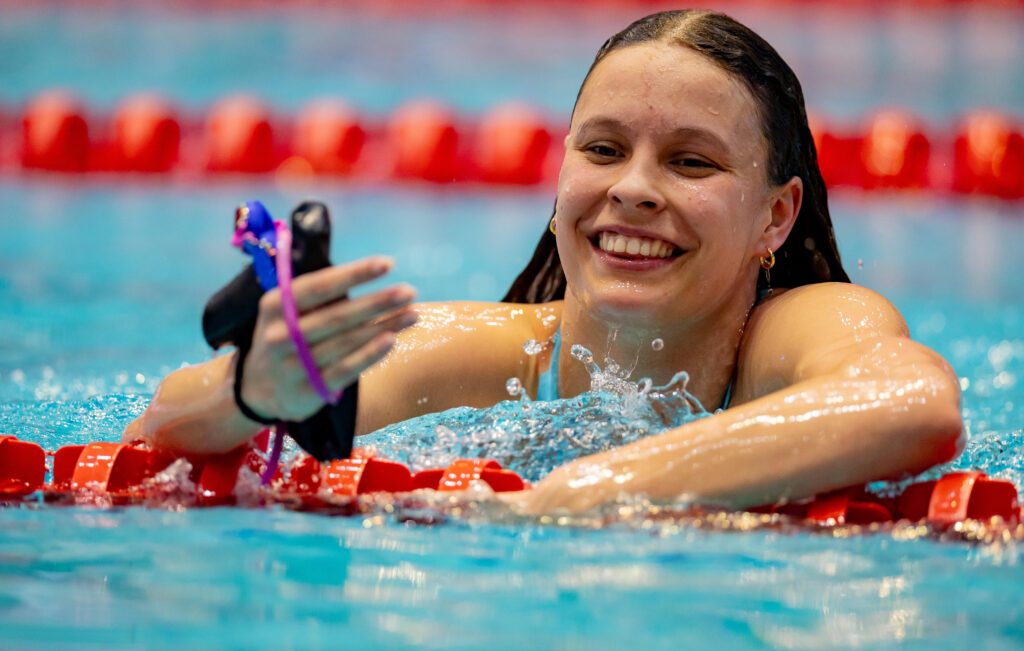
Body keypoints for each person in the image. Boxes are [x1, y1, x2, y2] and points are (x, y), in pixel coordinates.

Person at [123, 10, 963, 515]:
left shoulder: (796, 330)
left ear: (775, 216)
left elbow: (914, 404)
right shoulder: (503, 354)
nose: (633, 189)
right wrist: (252, 392)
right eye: (603, 149)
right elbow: (157, 432)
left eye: (691, 162)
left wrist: (585, 491)